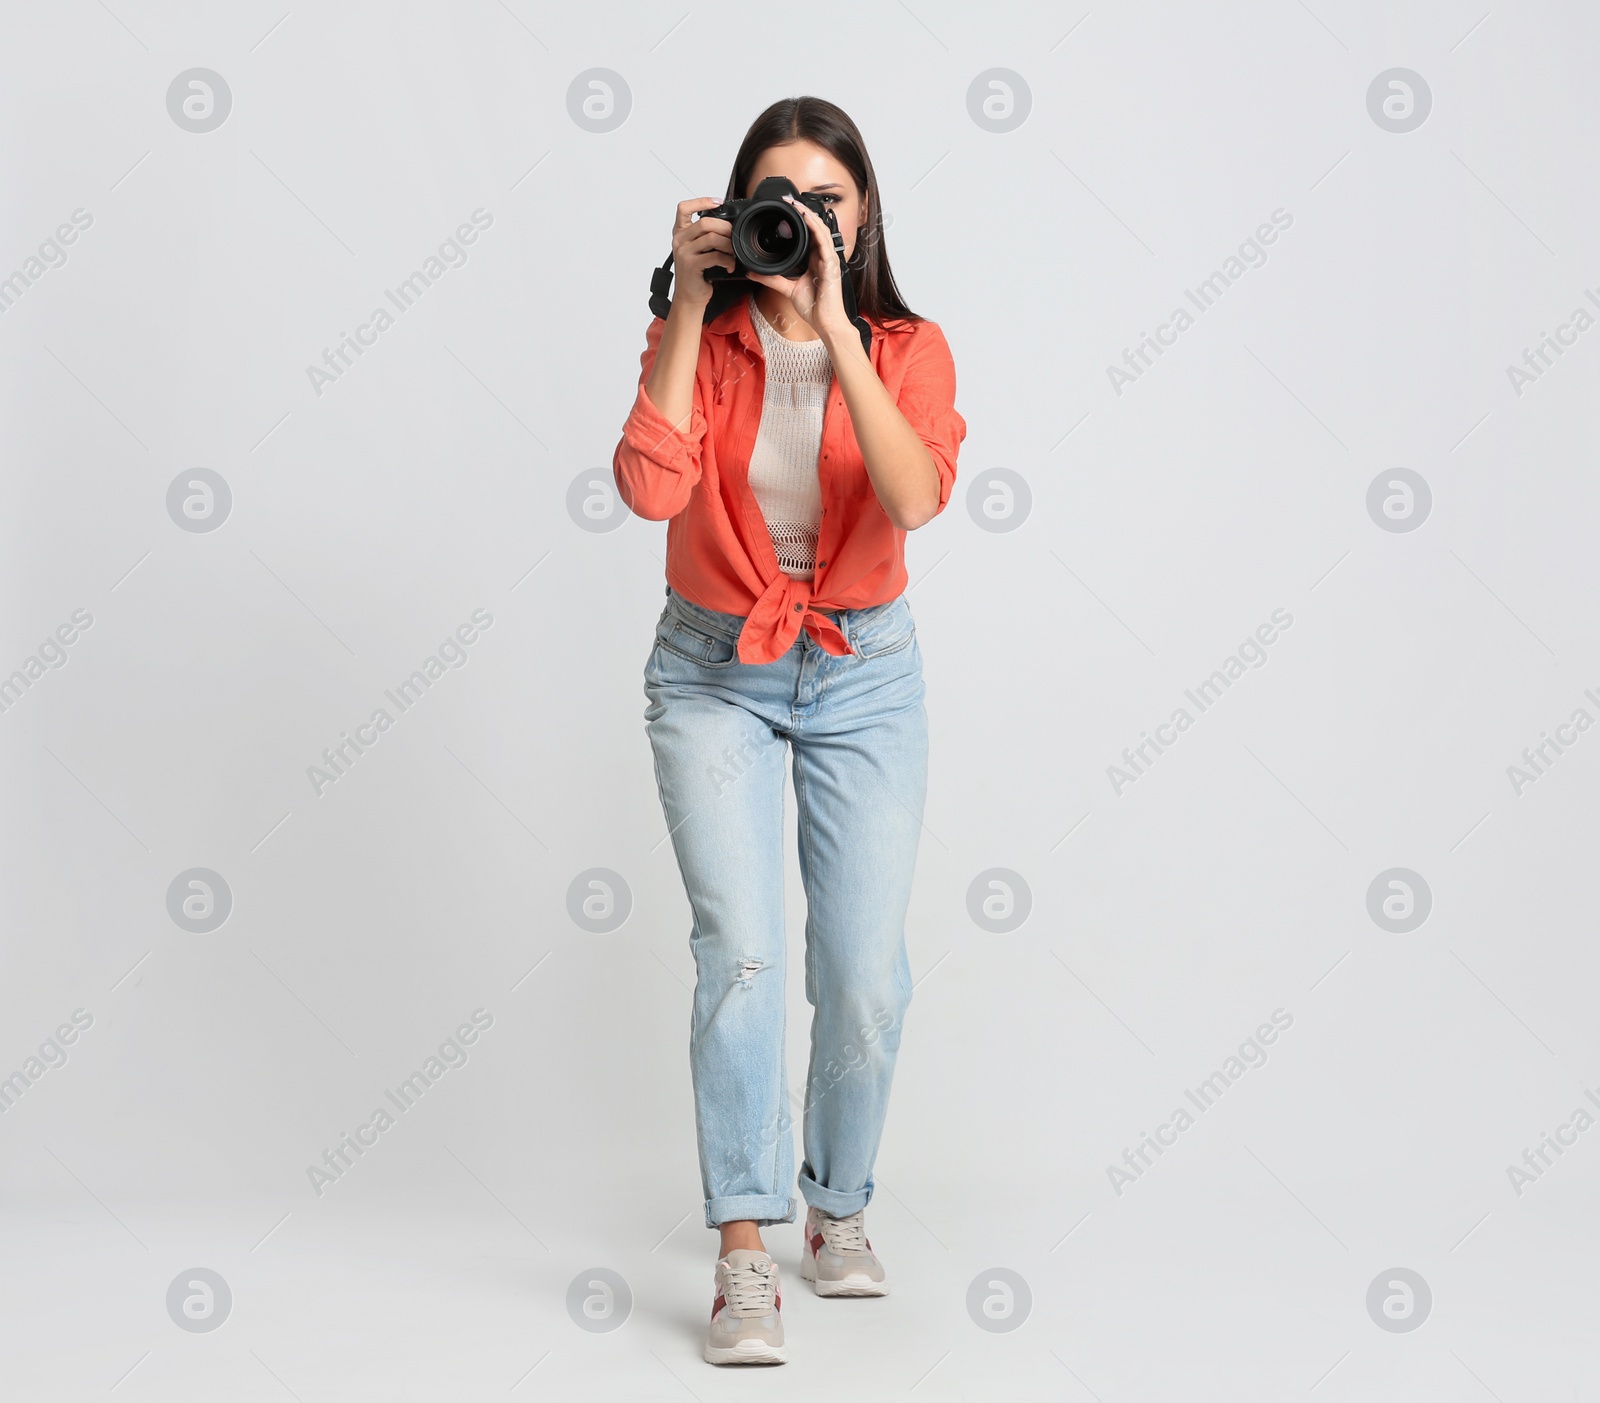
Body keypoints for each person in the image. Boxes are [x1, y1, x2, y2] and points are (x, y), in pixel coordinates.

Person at [611, 94, 966, 1366]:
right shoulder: (697, 335)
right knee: (744, 957)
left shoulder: (907, 344)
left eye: (828, 200)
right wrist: (688, 308)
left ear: (862, 215)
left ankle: (839, 1205)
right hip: (714, 669)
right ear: (736, 209)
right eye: (781, 198)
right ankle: (745, 1250)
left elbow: (915, 495)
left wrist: (836, 334)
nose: (803, 219)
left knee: (866, 972)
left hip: (863, 671)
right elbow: (647, 485)